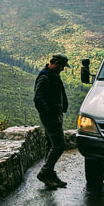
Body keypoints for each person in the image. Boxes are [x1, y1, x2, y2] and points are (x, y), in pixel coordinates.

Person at [33, 53, 69, 188]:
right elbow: (38, 98)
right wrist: (49, 113)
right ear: (56, 64)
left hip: (54, 115)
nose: (63, 69)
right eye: (62, 67)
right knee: (59, 146)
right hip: (51, 117)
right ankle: (44, 172)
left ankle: (50, 175)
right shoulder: (45, 77)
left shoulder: (53, 75)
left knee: (50, 145)